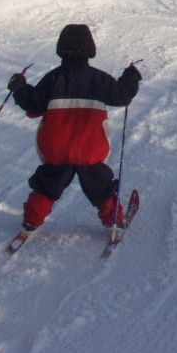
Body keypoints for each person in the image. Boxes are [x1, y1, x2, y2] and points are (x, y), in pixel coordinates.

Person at [8, 23, 142, 234]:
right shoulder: (99, 79)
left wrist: (19, 86)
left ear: (61, 48)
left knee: (48, 184)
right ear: (90, 49)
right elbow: (123, 96)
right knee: (100, 186)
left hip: (56, 146)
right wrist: (131, 76)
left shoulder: (52, 78)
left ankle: (31, 221)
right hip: (90, 147)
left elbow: (33, 105)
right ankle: (114, 221)